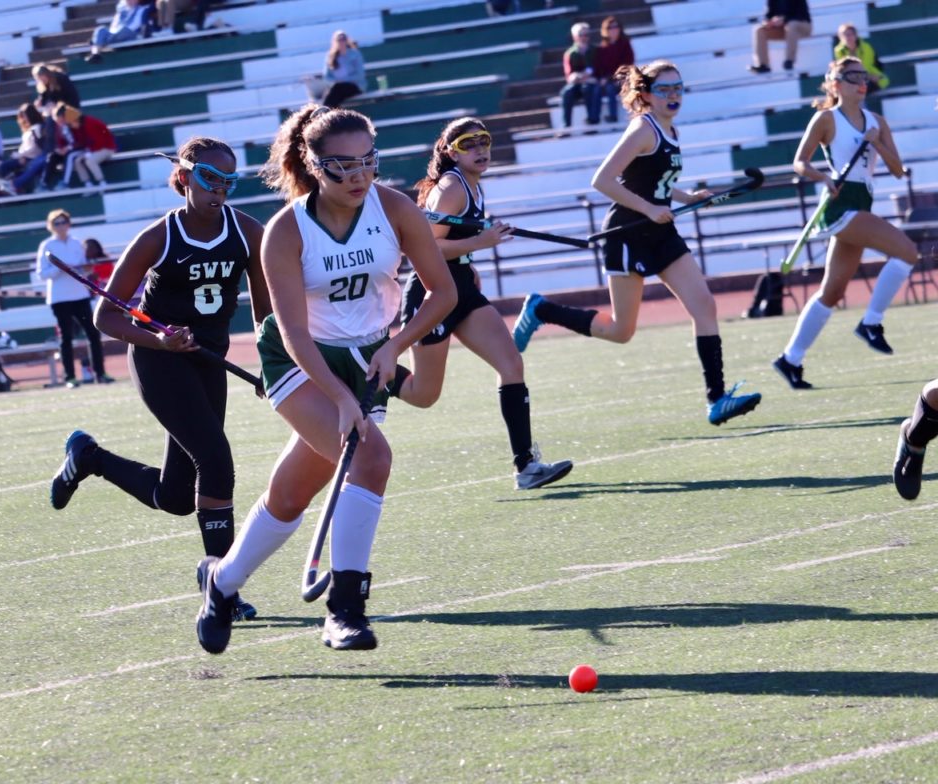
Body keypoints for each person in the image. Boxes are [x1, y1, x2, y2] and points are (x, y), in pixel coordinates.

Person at [193, 105, 456, 655]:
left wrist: (394, 346)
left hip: (366, 358)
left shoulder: (397, 209)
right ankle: (344, 610)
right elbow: (291, 333)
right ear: (313, 165)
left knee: (292, 493)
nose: (358, 176)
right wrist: (338, 398)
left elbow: (443, 294)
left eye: (368, 161)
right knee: (371, 458)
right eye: (342, 166)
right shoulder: (285, 231)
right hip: (299, 361)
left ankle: (221, 583)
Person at [48, 137, 269, 622]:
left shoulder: (249, 231)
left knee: (175, 497)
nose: (220, 189)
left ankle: (89, 458)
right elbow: (107, 318)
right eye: (211, 178)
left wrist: (274, 363)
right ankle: (223, 590)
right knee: (216, 460)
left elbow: (266, 309)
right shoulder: (158, 237)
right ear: (185, 176)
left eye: (229, 181)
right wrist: (162, 342)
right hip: (159, 359)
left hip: (209, 361)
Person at [513, 61, 763, 427]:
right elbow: (603, 180)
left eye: (678, 88)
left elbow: (656, 181)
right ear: (645, 94)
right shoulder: (642, 129)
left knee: (704, 306)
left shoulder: (670, 128)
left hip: (660, 233)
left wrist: (687, 196)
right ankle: (542, 310)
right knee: (620, 331)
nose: (673, 95)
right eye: (664, 90)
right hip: (627, 232)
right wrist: (648, 208)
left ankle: (717, 399)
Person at [393, 117, 573, 490]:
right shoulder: (452, 187)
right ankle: (363, 367)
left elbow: (456, 242)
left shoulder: (473, 185)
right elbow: (423, 248)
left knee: (511, 363)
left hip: (461, 288)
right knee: (424, 395)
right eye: (467, 144)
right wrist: (481, 242)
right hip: (431, 292)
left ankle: (526, 467)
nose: (479, 149)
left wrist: (470, 265)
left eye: (484, 141)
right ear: (449, 152)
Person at [772, 57, 917, 390]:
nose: (860, 82)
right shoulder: (826, 119)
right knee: (907, 252)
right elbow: (799, 163)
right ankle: (871, 323)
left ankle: (790, 359)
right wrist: (822, 177)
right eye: (852, 77)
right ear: (835, 84)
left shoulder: (877, 120)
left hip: (863, 198)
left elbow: (897, 169)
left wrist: (875, 140)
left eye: (863, 76)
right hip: (841, 203)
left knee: (832, 291)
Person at [35, 209, 112, 388]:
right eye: (56, 223)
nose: (61, 226)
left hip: (80, 295)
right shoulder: (47, 245)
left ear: (68, 224)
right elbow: (42, 274)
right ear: (50, 226)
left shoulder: (77, 243)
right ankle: (70, 377)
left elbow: (83, 270)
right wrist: (60, 269)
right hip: (59, 298)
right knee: (66, 338)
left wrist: (88, 268)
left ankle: (100, 374)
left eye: (63, 222)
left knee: (93, 334)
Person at [58, 102, 116, 191]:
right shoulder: (77, 128)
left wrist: (89, 152)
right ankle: (88, 184)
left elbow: (99, 141)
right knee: (77, 161)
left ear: (76, 120)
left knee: (89, 160)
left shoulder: (90, 123)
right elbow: (80, 142)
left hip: (106, 148)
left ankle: (102, 182)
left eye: (71, 123)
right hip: (92, 149)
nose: (71, 126)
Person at [0, 103, 47, 196]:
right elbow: (24, 146)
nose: (24, 119)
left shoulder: (38, 128)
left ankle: (14, 186)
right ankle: (10, 185)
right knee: (3, 167)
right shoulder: (27, 130)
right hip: (24, 156)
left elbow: (36, 147)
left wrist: (21, 155)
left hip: (33, 157)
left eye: (25, 116)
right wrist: (19, 155)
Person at [748, 0, 812, 73]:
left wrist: (784, 19)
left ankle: (789, 61)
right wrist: (769, 22)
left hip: (802, 26)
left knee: (791, 25)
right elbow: (768, 15)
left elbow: (800, 14)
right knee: (759, 30)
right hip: (783, 29)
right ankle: (763, 65)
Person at [593, 16, 633, 124]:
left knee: (611, 88)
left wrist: (612, 78)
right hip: (606, 80)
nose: (614, 29)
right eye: (610, 27)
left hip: (622, 79)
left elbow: (628, 65)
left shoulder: (625, 45)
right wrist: (602, 78)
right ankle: (594, 118)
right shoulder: (601, 49)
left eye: (616, 27)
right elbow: (599, 67)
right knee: (595, 89)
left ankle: (613, 116)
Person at [559, 22, 598, 130]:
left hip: (591, 83)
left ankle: (592, 120)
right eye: (581, 34)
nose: (584, 37)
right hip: (577, 84)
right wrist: (581, 76)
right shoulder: (570, 54)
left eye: (586, 34)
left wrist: (587, 77)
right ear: (574, 36)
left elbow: (598, 69)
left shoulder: (595, 51)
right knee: (566, 92)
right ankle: (566, 125)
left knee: (588, 89)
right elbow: (569, 75)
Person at [834, 23, 889, 93]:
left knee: (881, 80)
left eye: (850, 34)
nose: (847, 37)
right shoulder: (838, 50)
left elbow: (866, 65)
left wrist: (869, 76)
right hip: (853, 78)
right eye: (844, 35)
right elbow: (844, 69)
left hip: (868, 75)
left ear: (855, 35)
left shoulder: (866, 47)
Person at [321, 30, 366, 109]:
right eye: (339, 40)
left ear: (347, 40)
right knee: (334, 92)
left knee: (337, 91)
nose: (341, 42)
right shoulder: (331, 56)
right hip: (337, 87)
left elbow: (360, 75)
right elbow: (326, 77)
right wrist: (336, 81)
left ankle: (327, 111)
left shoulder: (355, 54)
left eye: (343, 39)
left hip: (354, 86)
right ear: (335, 41)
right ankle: (329, 111)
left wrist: (344, 80)